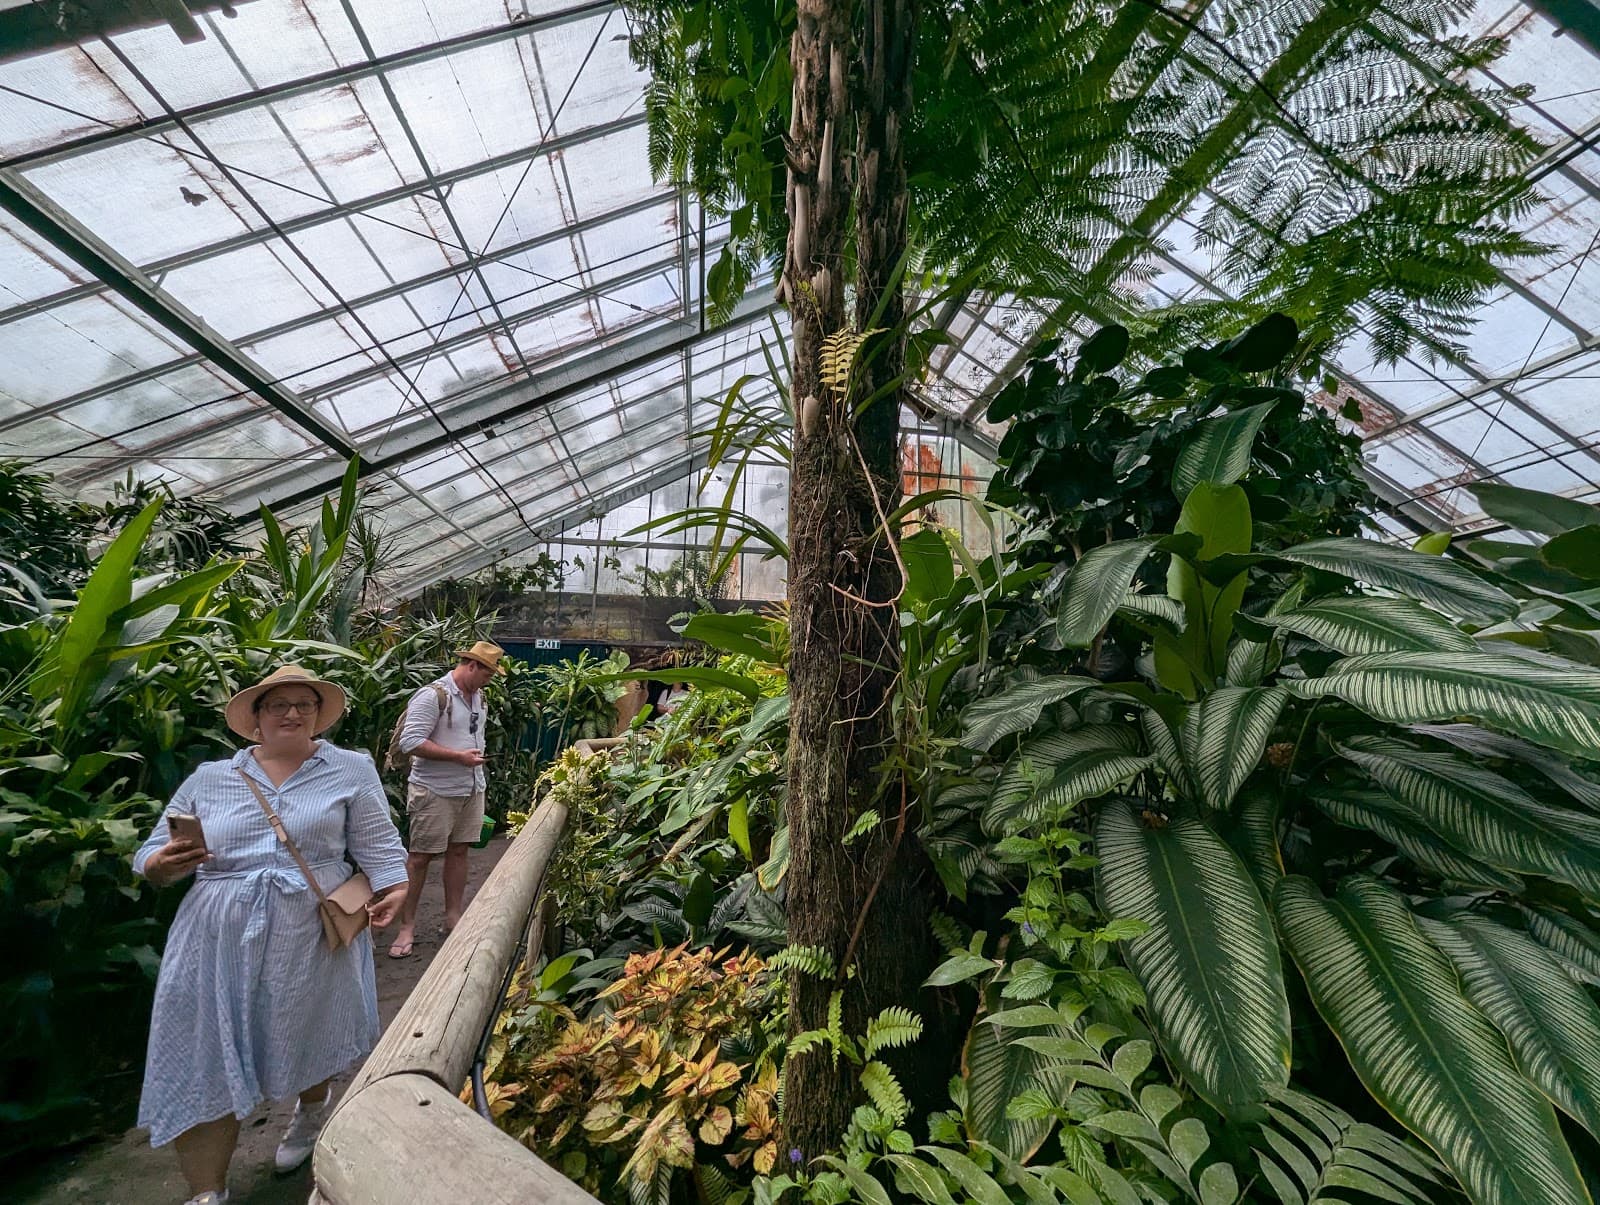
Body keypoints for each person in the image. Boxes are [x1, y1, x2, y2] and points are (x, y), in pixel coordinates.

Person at [132, 665, 408, 1205]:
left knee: (307, 1030)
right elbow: (149, 854)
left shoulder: (349, 768)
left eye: (305, 703)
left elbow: (378, 841)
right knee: (202, 1053)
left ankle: (310, 1112)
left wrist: (394, 886)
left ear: (317, 715)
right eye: (277, 704)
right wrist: (162, 864)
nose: (292, 713)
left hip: (311, 930)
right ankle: (206, 1192)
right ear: (255, 719)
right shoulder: (210, 777)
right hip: (215, 937)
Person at [387, 640, 505, 959]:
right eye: (487, 674)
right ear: (472, 666)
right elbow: (411, 741)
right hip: (434, 790)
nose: (488, 680)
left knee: (459, 852)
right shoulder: (433, 696)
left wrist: (471, 763)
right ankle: (406, 926)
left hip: (470, 787)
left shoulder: (479, 698)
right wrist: (457, 757)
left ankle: (453, 918)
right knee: (420, 857)